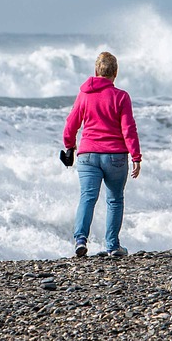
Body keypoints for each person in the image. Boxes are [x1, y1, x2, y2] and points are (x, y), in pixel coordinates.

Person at [62, 51, 142, 258]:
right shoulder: (121, 96)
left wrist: (69, 147)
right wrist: (136, 156)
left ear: (96, 71)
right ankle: (113, 246)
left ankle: (80, 240)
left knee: (87, 198)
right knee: (114, 199)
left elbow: (71, 124)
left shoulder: (84, 95)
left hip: (88, 155)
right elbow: (128, 129)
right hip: (115, 156)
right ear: (115, 73)